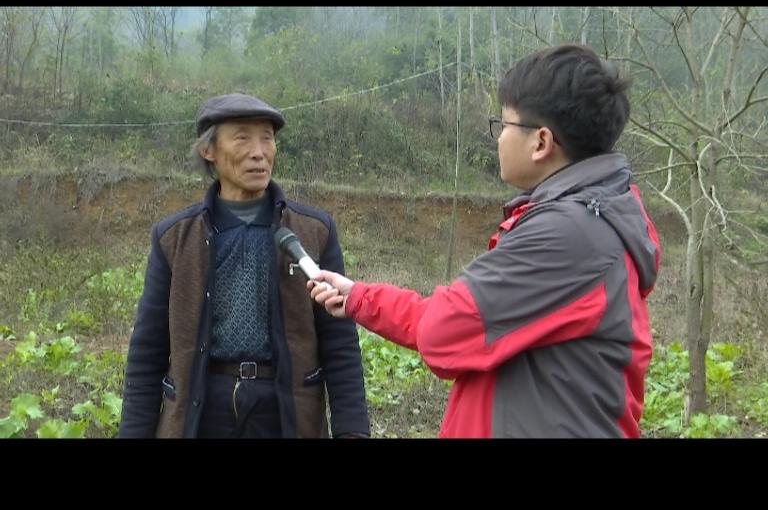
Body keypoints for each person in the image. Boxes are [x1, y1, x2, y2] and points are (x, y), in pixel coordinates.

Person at [309, 45, 661, 438]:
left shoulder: (567, 234)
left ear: (541, 142)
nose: (498, 138)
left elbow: (443, 331)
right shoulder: (590, 222)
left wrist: (364, 299)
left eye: (503, 124)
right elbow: (467, 321)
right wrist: (357, 296)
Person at [119, 93, 369, 438]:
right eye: (242, 137)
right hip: (202, 407)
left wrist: (352, 432)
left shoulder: (313, 231)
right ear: (209, 151)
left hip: (286, 410)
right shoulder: (174, 238)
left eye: (267, 138)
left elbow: (339, 345)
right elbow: (148, 350)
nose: (259, 152)